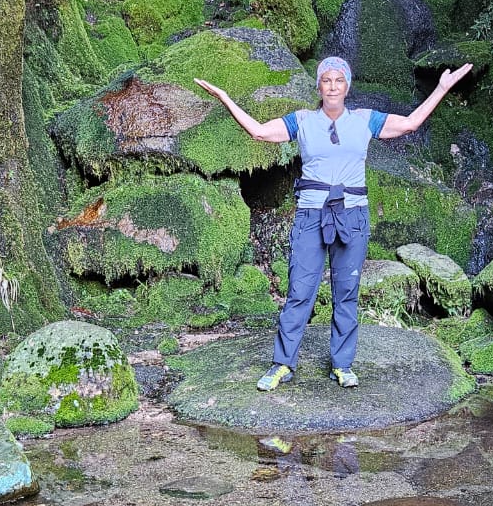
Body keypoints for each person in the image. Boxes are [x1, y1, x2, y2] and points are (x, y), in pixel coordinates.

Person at [195, 57, 473, 392]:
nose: (332, 86)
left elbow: (411, 123)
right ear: (318, 86)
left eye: (339, 80)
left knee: (347, 293)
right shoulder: (302, 121)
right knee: (299, 291)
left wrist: (441, 89)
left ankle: (342, 365)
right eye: (326, 80)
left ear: (348, 85)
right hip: (311, 216)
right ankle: (282, 364)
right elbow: (257, 131)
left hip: (352, 216)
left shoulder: (365, 120)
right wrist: (225, 97)